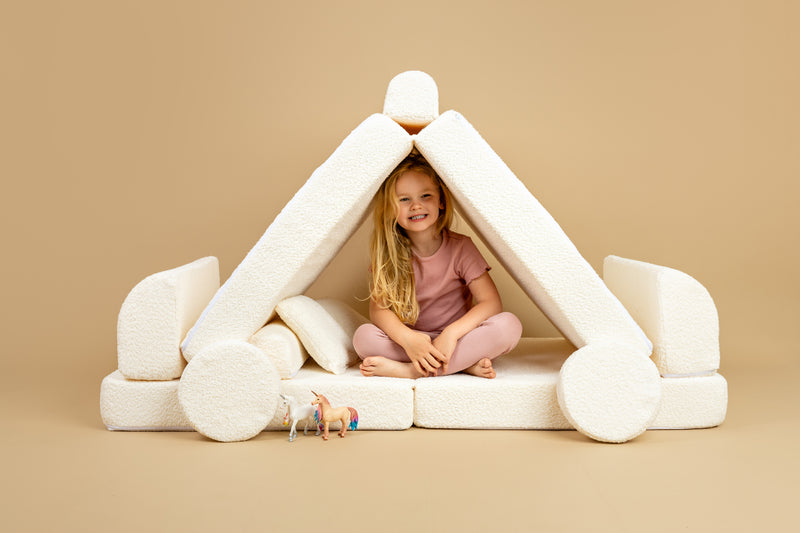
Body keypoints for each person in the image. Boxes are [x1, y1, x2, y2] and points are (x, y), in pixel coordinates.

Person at [353, 151, 522, 379]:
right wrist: (408, 339)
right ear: (391, 209)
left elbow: (490, 303)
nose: (415, 206)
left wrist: (451, 334)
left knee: (509, 326)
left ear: (441, 201)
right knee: (363, 337)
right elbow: (379, 310)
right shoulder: (387, 254)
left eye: (425, 196)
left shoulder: (461, 248)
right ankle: (461, 365)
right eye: (404, 199)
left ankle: (410, 371)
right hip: (414, 342)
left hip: (458, 339)